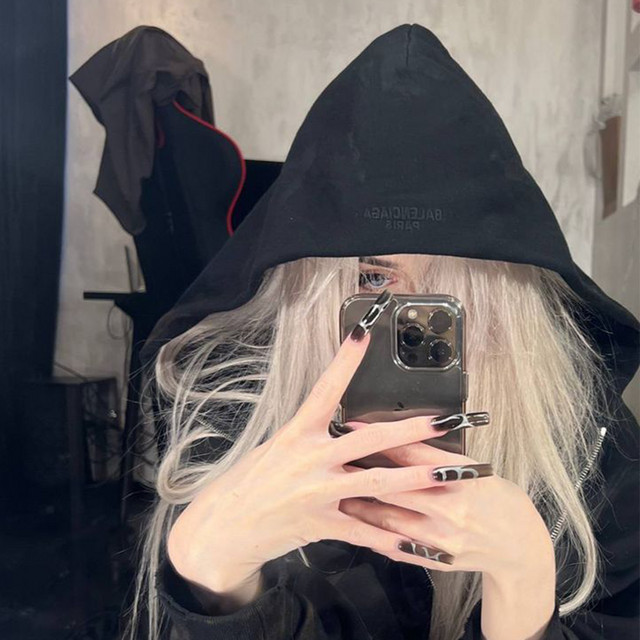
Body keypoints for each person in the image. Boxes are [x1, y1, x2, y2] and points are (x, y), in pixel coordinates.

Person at [127, 24, 639, 640]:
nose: (412, 318)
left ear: (510, 293)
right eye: (373, 278)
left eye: (457, 286)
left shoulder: (586, 437)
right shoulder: (232, 412)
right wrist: (211, 572)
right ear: (312, 284)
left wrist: (524, 585)